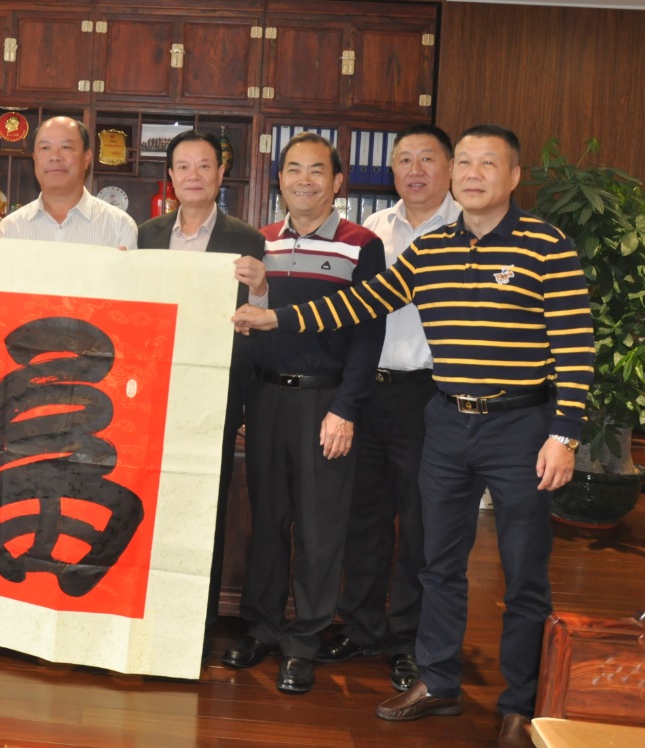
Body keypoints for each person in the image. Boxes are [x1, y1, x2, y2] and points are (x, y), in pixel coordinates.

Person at [232, 124, 593, 748]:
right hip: (446, 420)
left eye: (487, 164)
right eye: (466, 163)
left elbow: (575, 343)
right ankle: (439, 681)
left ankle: (519, 704)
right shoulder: (431, 250)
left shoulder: (545, 243)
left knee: (523, 573)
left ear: (513, 177)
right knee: (438, 564)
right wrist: (276, 317)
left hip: (520, 426)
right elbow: (358, 304)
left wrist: (565, 433)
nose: (473, 174)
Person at [219, 132, 386, 695]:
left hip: (325, 402)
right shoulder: (260, 242)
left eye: (317, 170)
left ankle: (304, 641)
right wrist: (246, 400)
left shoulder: (361, 245)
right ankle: (262, 627)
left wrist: (346, 409)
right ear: (280, 180)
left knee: (319, 526)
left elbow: (368, 335)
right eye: (293, 169)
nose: (304, 180)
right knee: (267, 520)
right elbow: (247, 324)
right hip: (267, 398)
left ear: (337, 181)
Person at [316, 125, 462, 692]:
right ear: (391, 169)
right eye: (404, 159)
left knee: (422, 521)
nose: (414, 170)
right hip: (367, 391)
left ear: (449, 167)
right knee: (365, 512)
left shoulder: (466, 228)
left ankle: (409, 640)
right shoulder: (373, 230)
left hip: (431, 394)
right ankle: (361, 625)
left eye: (427, 159)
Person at [135, 129, 266, 643]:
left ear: (220, 175)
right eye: (184, 166)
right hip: (155, 390)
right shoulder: (147, 235)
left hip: (216, 392)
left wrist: (260, 287)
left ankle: (198, 621)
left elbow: (256, 317)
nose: (194, 175)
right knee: (153, 499)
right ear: (169, 176)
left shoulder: (247, 239)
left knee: (205, 503)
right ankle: (149, 609)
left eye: (204, 166)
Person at [0, 116, 137, 249]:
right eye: (45, 148)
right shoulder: (10, 229)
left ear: (87, 158)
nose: (55, 157)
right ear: (34, 158)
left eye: (66, 147)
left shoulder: (119, 227)